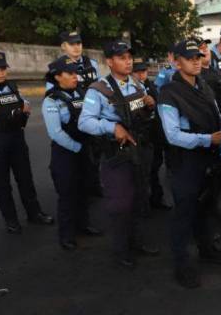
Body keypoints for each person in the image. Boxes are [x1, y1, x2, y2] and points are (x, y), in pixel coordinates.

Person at [78, 40, 160, 269]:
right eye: (122, 58)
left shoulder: (136, 85)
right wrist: (111, 127)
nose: (128, 61)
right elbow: (84, 122)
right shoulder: (98, 89)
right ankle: (121, 249)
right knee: (120, 204)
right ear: (110, 61)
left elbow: (144, 117)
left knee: (138, 199)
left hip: (139, 150)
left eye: (129, 57)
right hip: (116, 154)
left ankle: (136, 242)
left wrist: (150, 107)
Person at [158, 39, 221, 289]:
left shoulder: (204, 85)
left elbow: (217, 116)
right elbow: (173, 135)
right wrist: (207, 139)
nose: (197, 61)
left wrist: (220, 136)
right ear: (177, 62)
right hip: (186, 161)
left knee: (206, 207)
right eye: (190, 58)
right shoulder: (169, 93)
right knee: (184, 214)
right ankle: (182, 264)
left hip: (208, 157)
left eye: (199, 57)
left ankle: (207, 248)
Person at [0, 52, 53, 233]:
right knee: (2, 183)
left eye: (3, 68)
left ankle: (35, 213)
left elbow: (21, 99)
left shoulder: (11, 86)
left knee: (25, 178)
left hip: (17, 137)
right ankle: (11, 219)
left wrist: (25, 105)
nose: (0, 72)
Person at [42, 55, 103, 250]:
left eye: (76, 72)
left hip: (85, 150)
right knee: (67, 195)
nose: (75, 76)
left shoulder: (83, 94)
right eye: (70, 73)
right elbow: (56, 133)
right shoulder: (51, 101)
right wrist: (79, 148)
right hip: (66, 153)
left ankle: (83, 225)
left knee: (84, 190)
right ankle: (66, 235)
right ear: (58, 76)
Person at [133, 58, 170, 213]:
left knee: (154, 169)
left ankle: (156, 199)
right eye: (138, 72)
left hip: (154, 135)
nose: (142, 75)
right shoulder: (127, 89)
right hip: (139, 137)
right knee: (141, 174)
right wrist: (143, 103)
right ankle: (142, 205)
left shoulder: (151, 86)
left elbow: (159, 108)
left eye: (144, 71)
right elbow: (125, 109)